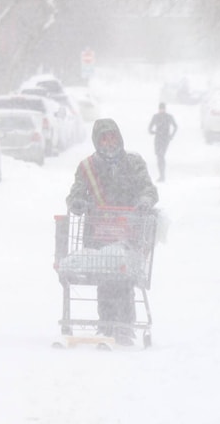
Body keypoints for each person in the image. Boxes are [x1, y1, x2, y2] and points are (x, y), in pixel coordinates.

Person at [66, 118, 159, 346]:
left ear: (120, 138)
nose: (109, 143)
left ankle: (125, 326)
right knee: (105, 278)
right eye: (104, 139)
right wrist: (77, 202)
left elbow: (148, 188)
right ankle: (107, 324)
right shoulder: (87, 167)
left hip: (128, 232)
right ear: (97, 142)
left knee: (124, 277)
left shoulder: (134, 164)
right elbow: (75, 192)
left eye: (112, 138)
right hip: (98, 234)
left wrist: (145, 201)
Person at [148, 102, 178, 182]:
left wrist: (171, 136)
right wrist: (152, 132)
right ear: (159, 109)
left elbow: (175, 126)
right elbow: (150, 127)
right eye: (160, 109)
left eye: (163, 108)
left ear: (165, 109)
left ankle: (162, 175)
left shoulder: (168, 117)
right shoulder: (156, 117)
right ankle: (161, 175)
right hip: (157, 138)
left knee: (161, 155)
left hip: (165, 139)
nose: (162, 110)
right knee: (158, 156)